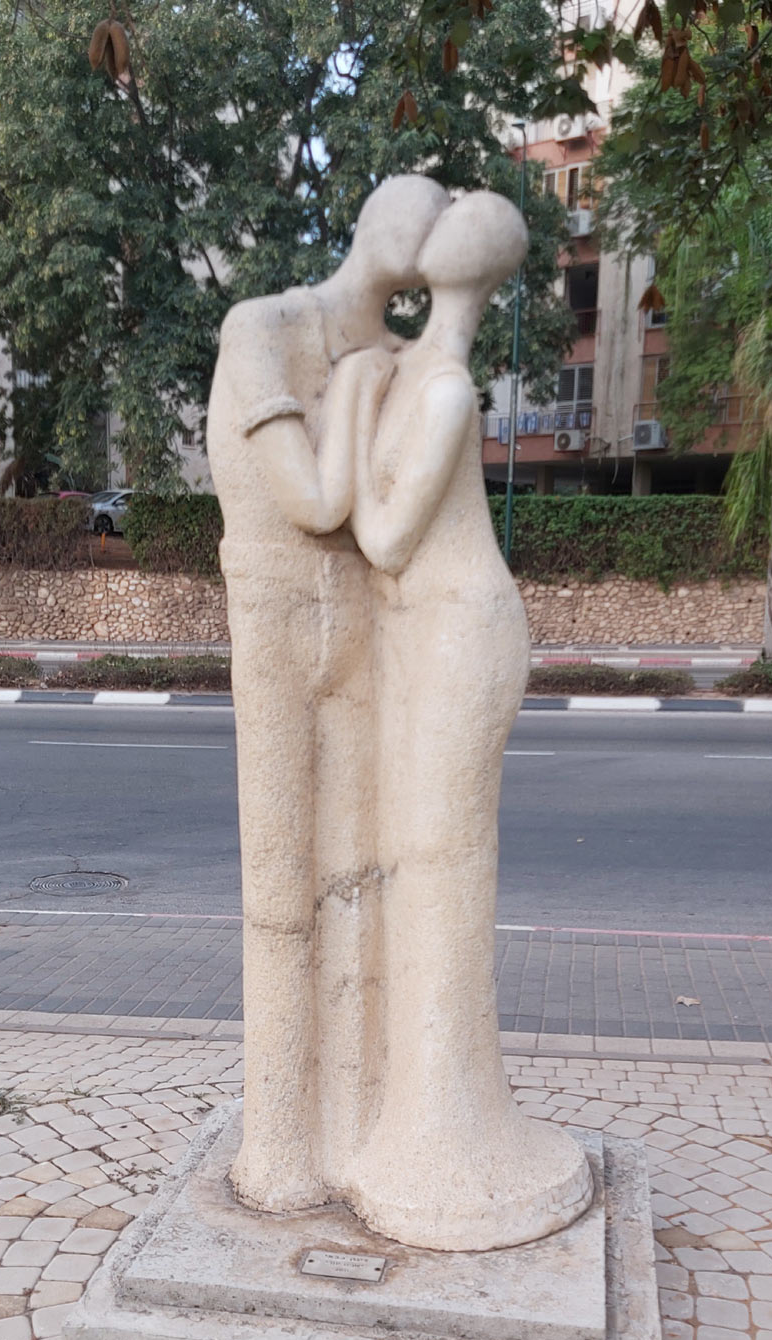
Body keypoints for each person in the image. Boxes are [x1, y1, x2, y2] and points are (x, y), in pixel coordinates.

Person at [333, 191, 594, 1249]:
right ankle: (425, 1112)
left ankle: (453, 1129)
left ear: (467, 266)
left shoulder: (440, 389)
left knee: (440, 859)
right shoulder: (406, 370)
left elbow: (386, 538)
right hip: (419, 637)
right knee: (413, 857)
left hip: (459, 634)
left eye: (447, 219)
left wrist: (348, 420)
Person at [206, 175, 450, 1214]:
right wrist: (361, 393)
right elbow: (309, 499)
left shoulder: (407, 362)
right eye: (421, 210)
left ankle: (358, 1140)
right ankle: (282, 1151)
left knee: (365, 887)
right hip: (273, 619)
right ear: (383, 226)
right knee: (280, 897)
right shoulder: (261, 327)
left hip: (365, 624)